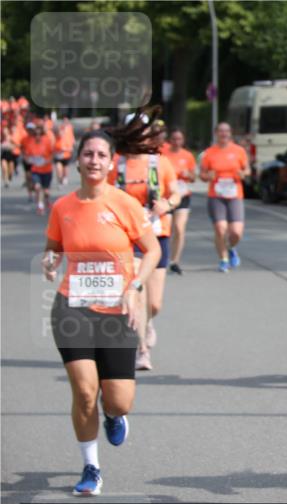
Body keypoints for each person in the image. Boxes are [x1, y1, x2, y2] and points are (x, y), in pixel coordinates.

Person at [42, 124, 161, 496]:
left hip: (117, 313)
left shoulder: (124, 203)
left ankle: (113, 415)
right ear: (78, 160)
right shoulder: (63, 207)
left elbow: (152, 250)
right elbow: (54, 247)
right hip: (72, 308)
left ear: (112, 163)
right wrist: (49, 261)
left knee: (119, 399)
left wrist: (136, 285)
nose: (94, 160)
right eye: (88, 154)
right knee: (83, 391)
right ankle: (91, 466)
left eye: (101, 155)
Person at [109, 110, 182, 371]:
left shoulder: (158, 163)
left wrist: (167, 203)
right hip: (127, 238)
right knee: (137, 293)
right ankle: (141, 350)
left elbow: (176, 193)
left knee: (154, 303)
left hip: (156, 234)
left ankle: (148, 322)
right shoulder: (116, 164)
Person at [200, 122, 250, 273]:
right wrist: (207, 176)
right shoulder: (209, 153)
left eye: (226, 131)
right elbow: (202, 174)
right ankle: (223, 259)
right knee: (220, 229)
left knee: (236, 232)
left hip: (235, 194)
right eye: (221, 131)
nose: (224, 134)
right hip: (216, 195)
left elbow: (247, 170)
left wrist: (244, 174)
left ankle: (231, 248)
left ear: (230, 133)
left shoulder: (239, 151)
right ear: (216, 133)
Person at [161, 128, 197, 275]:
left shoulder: (188, 156)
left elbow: (194, 178)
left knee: (179, 228)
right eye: (174, 138)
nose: (176, 142)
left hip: (183, 196)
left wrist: (188, 174)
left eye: (179, 139)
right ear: (170, 140)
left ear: (183, 141)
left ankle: (175, 261)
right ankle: (164, 256)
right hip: (167, 196)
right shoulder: (163, 154)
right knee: (167, 228)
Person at [21, 121, 57, 214]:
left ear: (42, 134)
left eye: (39, 134)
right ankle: (40, 206)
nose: (37, 136)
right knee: (37, 187)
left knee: (46, 191)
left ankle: (47, 200)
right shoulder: (30, 143)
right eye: (35, 134)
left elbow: (53, 153)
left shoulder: (47, 142)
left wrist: (48, 161)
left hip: (47, 170)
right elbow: (26, 154)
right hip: (36, 170)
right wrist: (28, 160)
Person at [54, 115, 75, 186]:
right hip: (58, 153)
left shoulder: (70, 128)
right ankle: (59, 179)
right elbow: (55, 131)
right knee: (58, 167)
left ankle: (64, 177)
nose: (65, 122)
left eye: (67, 121)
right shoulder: (59, 129)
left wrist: (71, 147)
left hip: (66, 153)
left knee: (65, 168)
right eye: (64, 121)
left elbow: (72, 138)